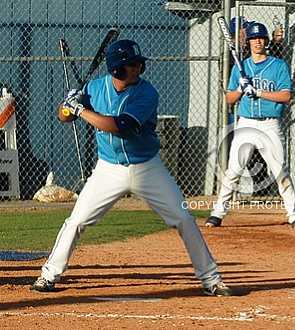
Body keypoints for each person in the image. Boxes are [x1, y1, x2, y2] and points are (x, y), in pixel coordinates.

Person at [31, 39, 232, 297]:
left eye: (139, 64)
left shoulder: (146, 93)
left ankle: (211, 279)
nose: (138, 68)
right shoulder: (94, 88)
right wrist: (68, 104)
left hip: (147, 167)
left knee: (183, 218)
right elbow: (62, 117)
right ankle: (48, 275)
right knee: (77, 221)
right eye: (131, 65)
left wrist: (80, 110)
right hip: (108, 169)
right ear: (116, 69)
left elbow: (121, 126)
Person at [205, 22, 295, 230]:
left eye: (261, 38)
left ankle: (294, 215)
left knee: (280, 171)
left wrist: (259, 92)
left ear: (266, 41)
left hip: (270, 125)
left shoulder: (278, 66)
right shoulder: (240, 68)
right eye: (254, 38)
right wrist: (242, 89)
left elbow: (286, 96)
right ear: (248, 42)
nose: (258, 41)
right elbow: (229, 99)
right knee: (233, 170)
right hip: (246, 123)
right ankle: (217, 213)